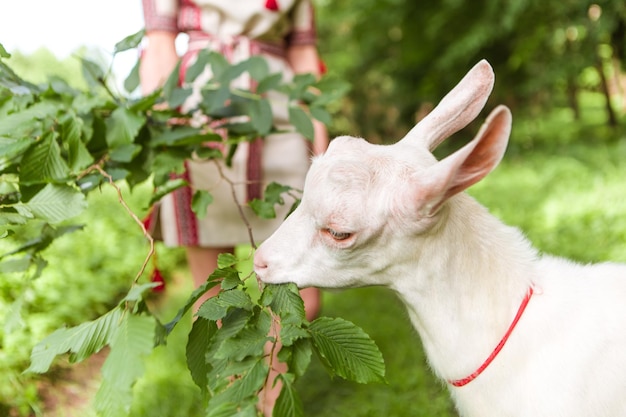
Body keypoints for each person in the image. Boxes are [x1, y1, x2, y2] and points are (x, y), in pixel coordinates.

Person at [139, 1, 326, 414]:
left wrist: (320, 139)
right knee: (214, 296)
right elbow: (160, 41)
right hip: (200, 112)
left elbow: (303, 52)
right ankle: (237, 404)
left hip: (281, 112)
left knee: (303, 296)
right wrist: (164, 125)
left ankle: (270, 401)